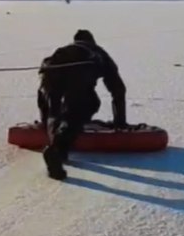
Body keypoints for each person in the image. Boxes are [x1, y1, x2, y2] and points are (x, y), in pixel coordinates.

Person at [36, 29, 127, 180]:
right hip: (80, 75)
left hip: (51, 70)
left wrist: (45, 122)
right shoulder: (98, 54)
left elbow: (44, 95)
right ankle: (58, 149)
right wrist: (120, 122)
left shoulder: (62, 51)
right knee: (89, 104)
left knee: (54, 109)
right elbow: (118, 90)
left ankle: (54, 143)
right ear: (92, 41)